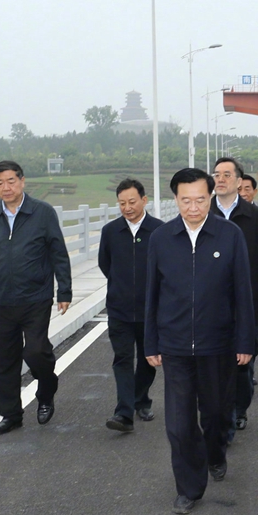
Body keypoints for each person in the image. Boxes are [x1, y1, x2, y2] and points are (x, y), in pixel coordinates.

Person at [144, 168, 255, 515]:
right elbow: (152, 294)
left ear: (211, 197)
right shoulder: (161, 238)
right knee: (178, 423)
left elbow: (243, 291)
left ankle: (216, 453)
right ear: (175, 200)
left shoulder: (230, 235)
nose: (193, 208)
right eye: (186, 201)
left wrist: (246, 341)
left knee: (217, 413)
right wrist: (150, 342)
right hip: (175, 345)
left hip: (218, 344)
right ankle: (189, 488)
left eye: (200, 200)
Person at [0, 160, 72, 435]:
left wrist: (64, 291)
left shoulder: (42, 213)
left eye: (11, 181)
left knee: (36, 351)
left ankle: (46, 389)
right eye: (0, 182)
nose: (6, 187)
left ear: (22, 181)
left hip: (36, 297)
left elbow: (58, 254)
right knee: (3, 360)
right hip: (2, 300)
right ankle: (11, 415)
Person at [211, 158, 258, 436]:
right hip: (209, 303)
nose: (220, 179)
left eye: (227, 175)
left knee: (243, 361)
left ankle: (239, 408)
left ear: (239, 181)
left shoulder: (256, 217)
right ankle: (221, 415)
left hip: (247, 300)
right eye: (217, 174)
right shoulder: (204, 213)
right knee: (214, 362)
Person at [98, 178, 164, 432]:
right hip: (120, 309)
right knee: (123, 359)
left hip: (151, 311)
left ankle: (141, 400)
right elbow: (106, 264)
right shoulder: (110, 232)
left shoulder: (159, 231)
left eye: (132, 202)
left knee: (149, 361)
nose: (127, 207)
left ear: (144, 200)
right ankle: (124, 413)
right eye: (122, 203)